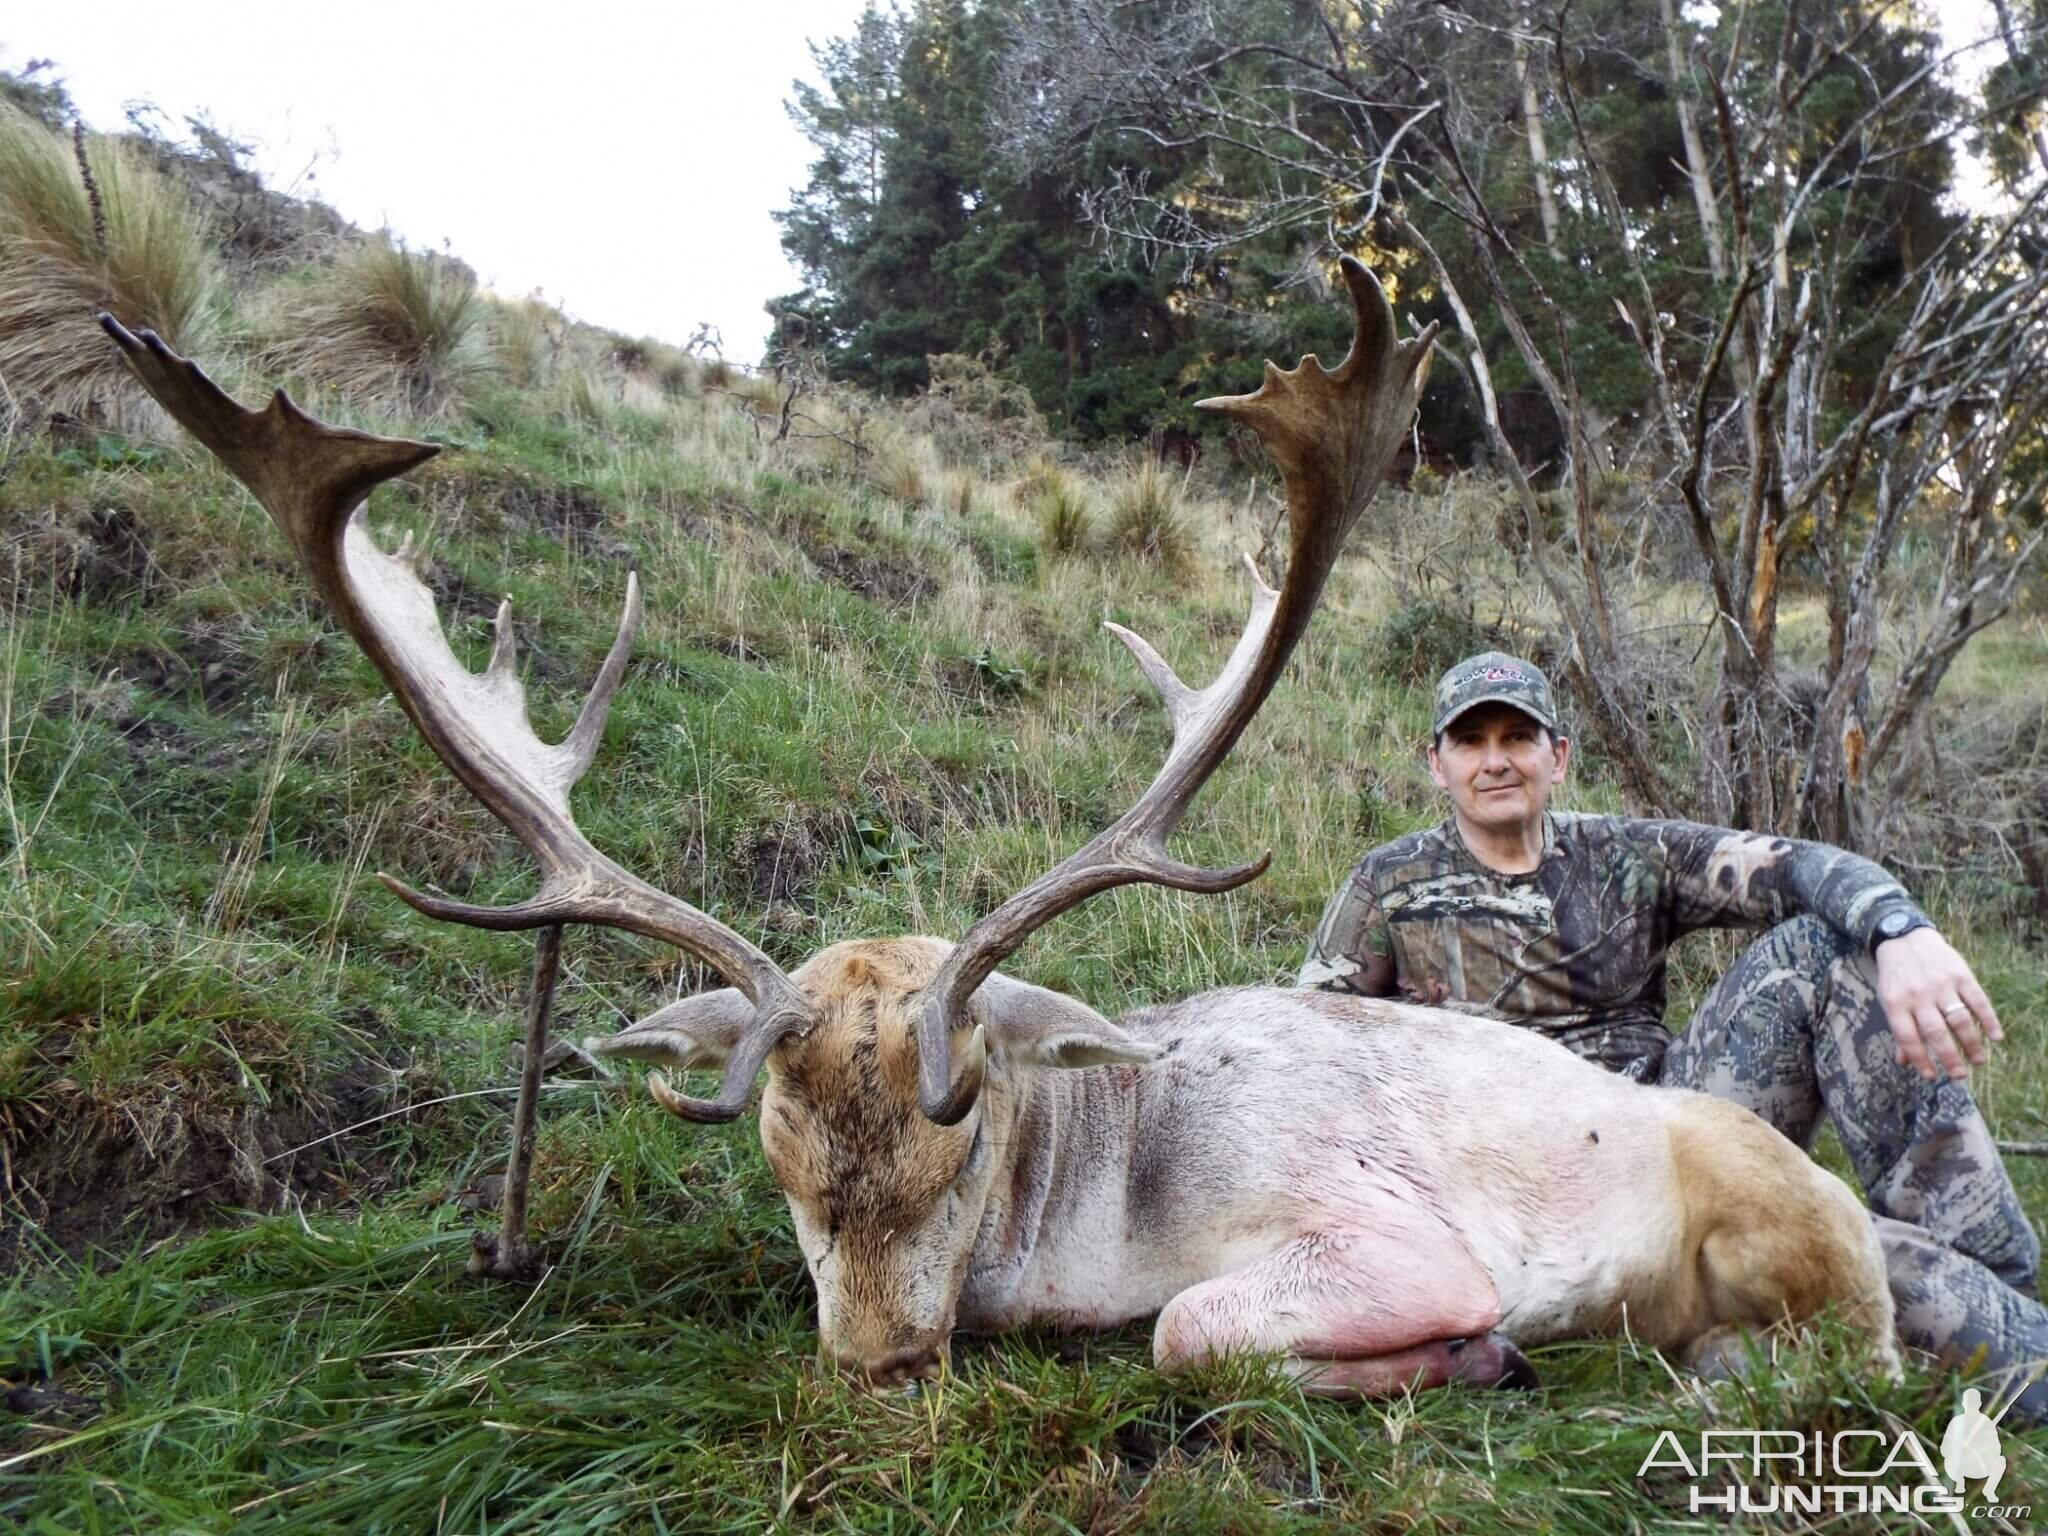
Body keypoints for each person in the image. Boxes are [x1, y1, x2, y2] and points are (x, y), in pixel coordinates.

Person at [1299, 650, 2047, 1422]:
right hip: (1513, 1186)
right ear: (1437, 763)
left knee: (1831, 952)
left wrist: (1905, 933)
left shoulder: (1628, 854)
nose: (1495, 761)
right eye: (1471, 741)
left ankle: (1987, 1259)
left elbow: (1799, 868)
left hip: (1667, 1132)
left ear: (1557, 757)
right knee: (1871, 1265)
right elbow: (1304, 1050)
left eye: (1518, 738)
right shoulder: (1388, 884)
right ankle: (1845, 1329)